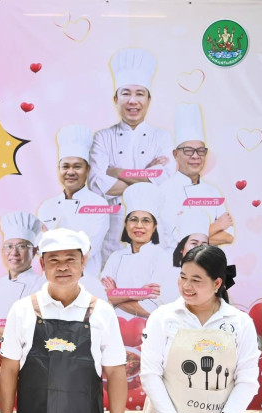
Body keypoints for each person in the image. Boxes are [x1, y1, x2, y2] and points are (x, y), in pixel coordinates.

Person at [0, 228, 131, 413]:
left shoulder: (102, 312)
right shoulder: (22, 310)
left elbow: (116, 372)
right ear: (42, 264)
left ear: (83, 262)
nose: (62, 267)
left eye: (70, 259)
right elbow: (9, 370)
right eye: (54, 260)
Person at [139, 245, 260, 413]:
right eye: (183, 277)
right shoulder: (163, 318)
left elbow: (247, 380)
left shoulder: (240, 323)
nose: (186, 286)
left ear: (217, 283)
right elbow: (150, 374)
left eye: (196, 280)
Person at [88, 48, 174, 259]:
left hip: (154, 235)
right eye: (126, 93)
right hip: (113, 234)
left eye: (140, 94)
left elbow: (164, 178)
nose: (133, 101)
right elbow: (96, 183)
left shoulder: (162, 137)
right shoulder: (103, 137)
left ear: (149, 99)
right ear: (115, 99)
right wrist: (146, 177)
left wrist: (116, 171)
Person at [158, 103, 234, 248]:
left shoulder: (213, 191)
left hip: (209, 261)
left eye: (200, 151)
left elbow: (229, 236)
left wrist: (192, 237)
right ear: (175, 154)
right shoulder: (165, 191)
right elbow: (177, 239)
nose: (195, 156)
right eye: (188, 150)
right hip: (176, 261)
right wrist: (218, 225)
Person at [38, 125, 110, 277]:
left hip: (86, 282)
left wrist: (51, 239)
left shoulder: (99, 205)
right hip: (50, 283)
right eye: (65, 166)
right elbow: (40, 249)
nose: (70, 172)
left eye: (77, 167)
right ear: (58, 169)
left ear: (88, 169)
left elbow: (87, 249)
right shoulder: (47, 206)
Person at [100, 182, 174, 319]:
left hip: (147, 327)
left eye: (146, 221)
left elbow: (152, 309)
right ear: (126, 224)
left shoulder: (163, 258)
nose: (139, 226)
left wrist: (115, 294)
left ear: (154, 226)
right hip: (113, 325)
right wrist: (137, 293)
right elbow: (101, 297)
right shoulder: (115, 257)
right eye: (133, 219)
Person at [0, 211, 43, 341]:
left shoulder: (42, 286)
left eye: (21, 246)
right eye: (8, 246)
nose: (14, 252)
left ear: (34, 251)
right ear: (2, 250)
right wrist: (13, 332)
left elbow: (32, 333)